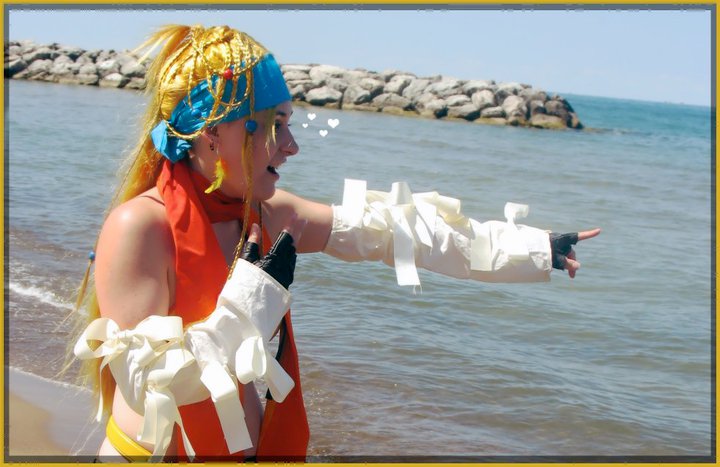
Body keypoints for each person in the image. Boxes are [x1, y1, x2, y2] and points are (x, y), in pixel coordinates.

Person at [71, 24, 600, 463]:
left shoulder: (266, 213)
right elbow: (147, 382)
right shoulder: (140, 227)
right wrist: (252, 301)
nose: (292, 146)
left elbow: (385, 231)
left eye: (290, 124)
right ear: (214, 131)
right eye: (275, 125)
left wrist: (527, 248)